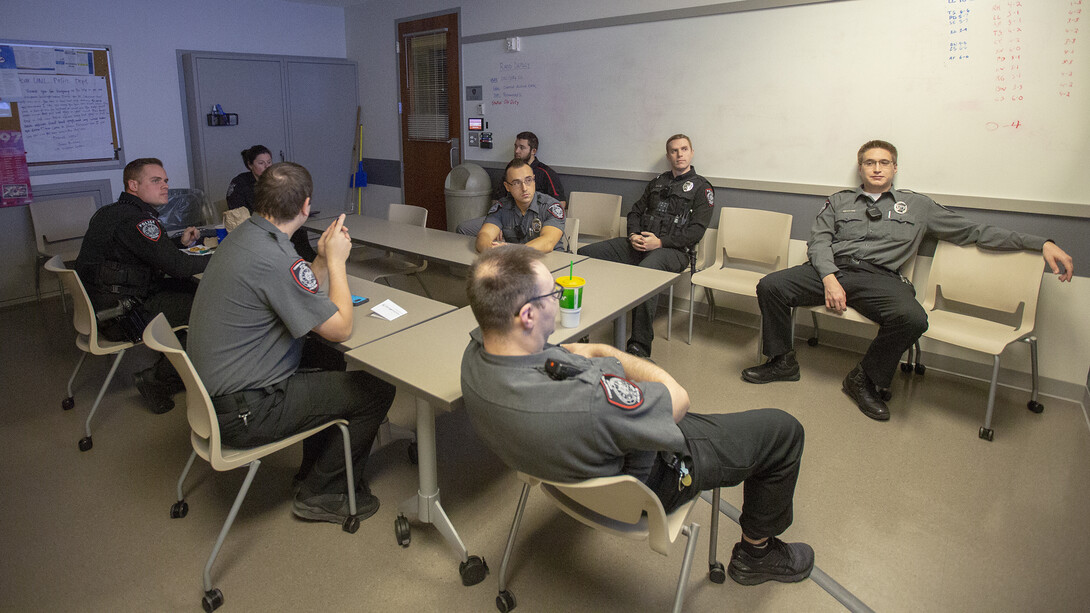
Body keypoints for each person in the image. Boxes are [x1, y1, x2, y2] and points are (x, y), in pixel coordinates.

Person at [461, 245, 814, 587]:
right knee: (783, 431)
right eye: (553, 294)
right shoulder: (590, 399)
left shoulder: (474, 358)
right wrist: (604, 351)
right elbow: (678, 399)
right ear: (527, 316)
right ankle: (756, 555)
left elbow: (561, 364)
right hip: (657, 476)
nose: (558, 299)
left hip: (556, 469)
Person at [741, 139, 1075, 422]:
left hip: (879, 277)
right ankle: (782, 361)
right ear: (860, 168)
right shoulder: (839, 200)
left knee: (913, 318)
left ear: (894, 168)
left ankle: (864, 379)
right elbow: (819, 242)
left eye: (884, 162)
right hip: (832, 269)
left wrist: (1040, 243)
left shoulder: (917, 206)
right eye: (869, 162)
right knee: (772, 285)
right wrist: (829, 278)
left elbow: (974, 232)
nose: (876, 168)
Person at [188, 162, 395, 524]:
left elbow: (300, 288)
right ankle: (324, 492)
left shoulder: (246, 237)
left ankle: (314, 467)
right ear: (306, 206)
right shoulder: (276, 258)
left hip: (215, 397)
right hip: (246, 412)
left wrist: (318, 258)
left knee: (326, 359)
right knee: (376, 390)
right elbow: (342, 327)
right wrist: (337, 263)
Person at [75, 157, 209, 414]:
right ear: (133, 185)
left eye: (166, 180)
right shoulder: (138, 221)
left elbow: (138, 253)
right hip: (123, 317)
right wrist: (222, 258)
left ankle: (177, 366)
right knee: (207, 306)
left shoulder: (111, 212)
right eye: (156, 180)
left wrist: (178, 245)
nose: (165, 186)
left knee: (195, 291)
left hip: (106, 308)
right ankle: (156, 380)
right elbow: (178, 267)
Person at [580, 134, 714, 358]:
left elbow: (695, 232)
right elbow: (635, 212)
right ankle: (582, 327)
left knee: (646, 273)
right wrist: (632, 235)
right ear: (668, 155)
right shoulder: (658, 182)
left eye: (683, 149)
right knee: (586, 254)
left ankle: (639, 347)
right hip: (639, 244)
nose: (679, 154)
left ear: (691, 152)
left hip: (674, 251)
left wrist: (660, 242)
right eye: (673, 150)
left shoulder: (702, 188)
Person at [456, 131, 566, 236]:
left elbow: (560, 204)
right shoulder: (510, 170)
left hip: (534, 220)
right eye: (516, 146)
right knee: (463, 228)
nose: (517, 151)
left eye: (522, 147)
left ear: (533, 151)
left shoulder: (545, 173)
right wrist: (495, 222)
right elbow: (497, 199)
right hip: (506, 218)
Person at [226, 144, 317, 261]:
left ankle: (306, 258)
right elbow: (236, 213)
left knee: (299, 230)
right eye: (261, 163)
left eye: (269, 162)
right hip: (254, 228)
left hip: (277, 222)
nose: (266, 166)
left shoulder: (276, 181)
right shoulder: (240, 183)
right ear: (250, 165)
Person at [474, 158, 565, 253]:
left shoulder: (551, 206)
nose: (524, 188)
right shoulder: (502, 207)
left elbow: (548, 242)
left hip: (551, 261)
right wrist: (490, 249)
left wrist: (513, 251)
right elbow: (484, 235)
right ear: (507, 187)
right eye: (516, 183)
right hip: (516, 263)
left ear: (534, 180)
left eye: (528, 180)